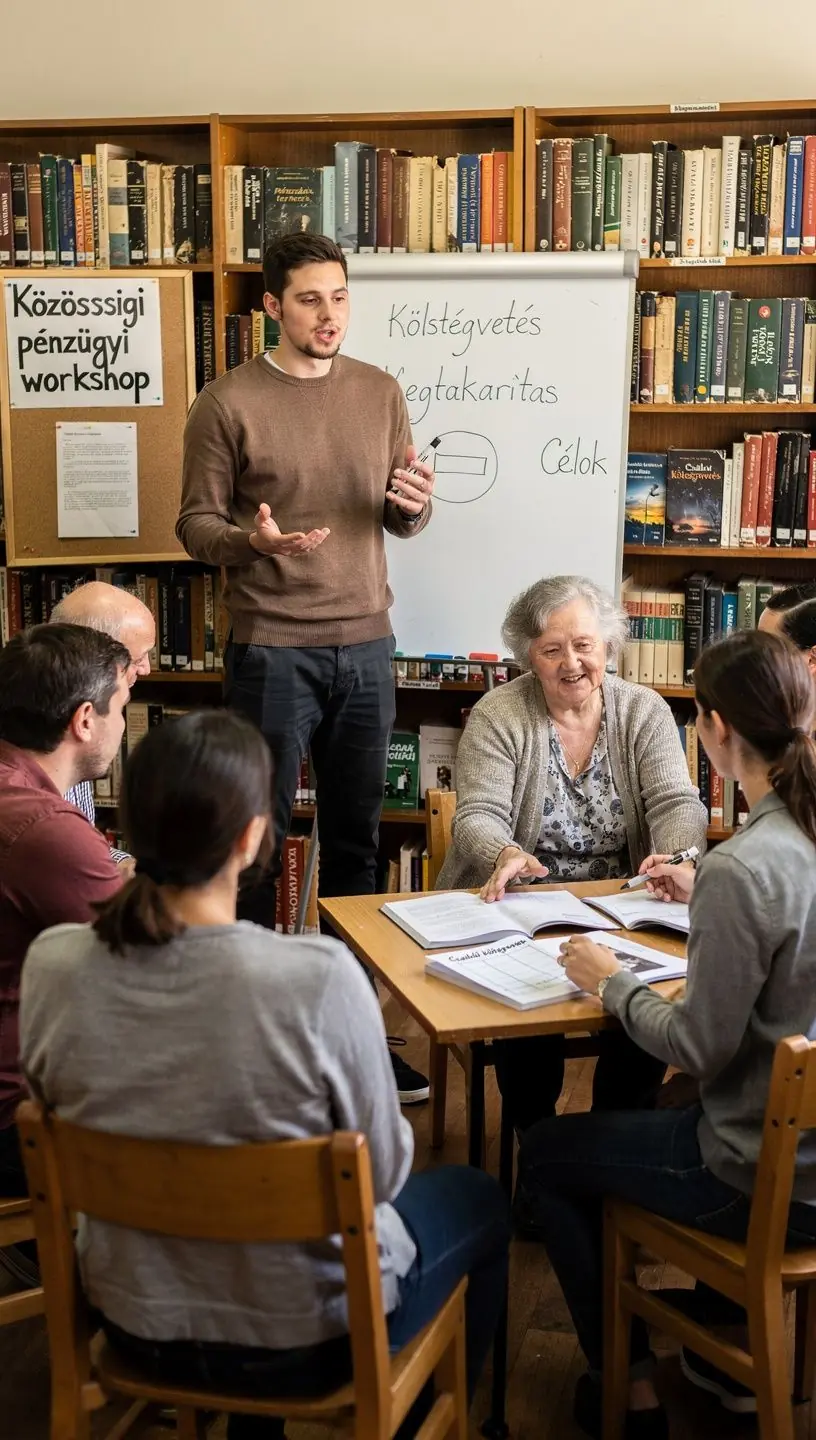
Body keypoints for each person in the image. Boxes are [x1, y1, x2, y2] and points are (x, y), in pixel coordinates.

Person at [19, 711, 510, 1440]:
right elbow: (383, 1173)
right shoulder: (314, 978)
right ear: (253, 837)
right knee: (479, 1196)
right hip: (307, 1344)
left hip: (134, 1321)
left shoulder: (54, 963)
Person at [515, 629, 816, 1438]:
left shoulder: (746, 866)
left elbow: (699, 1045)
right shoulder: (781, 850)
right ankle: (728, 1366)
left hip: (763, 1183)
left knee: (545, 1152)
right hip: (810, 1159)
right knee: (673, 1104)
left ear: (714, 730)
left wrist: (606, 981)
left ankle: (631, 1385)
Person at [176, 231, 435, 1106]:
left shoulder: (380, 391)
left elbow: (398, 520)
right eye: (311, 300)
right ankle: (256, 1043)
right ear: (273, 308)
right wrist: (253, 542)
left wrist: (413, 507)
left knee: (360, 845)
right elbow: (194, 528)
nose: (330, 315)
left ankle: (355, 1043)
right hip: (271, 648)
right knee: (252, 844)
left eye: (340, 297)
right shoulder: (227, 402)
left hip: (366, 645)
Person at [436, 575, 708, 1133]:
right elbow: (478, 814)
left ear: (608, 646)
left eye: (584, 645)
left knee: (653, 998)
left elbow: (677, 801)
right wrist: (504, 850)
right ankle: (536, 1145)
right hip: (522, 905)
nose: (572, 663)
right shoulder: (498, 714)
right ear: (528, 656)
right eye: (551, 649)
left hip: (623, 906)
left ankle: (612, 1139)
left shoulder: (644, 711)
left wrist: (678, 857)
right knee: (528, 1013)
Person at [0, 625, 127, 1264]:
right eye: (122, 709)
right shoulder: (46, 828)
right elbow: (148, 957)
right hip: (17, 1122)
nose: (123, 723)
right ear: (85, 719)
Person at [50, 580, 156, 868]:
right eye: (139, 657)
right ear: (94, 658)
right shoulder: (50, 739)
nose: (146, 669)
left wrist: (126, 867)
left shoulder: (78, 714)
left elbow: (81, 846)